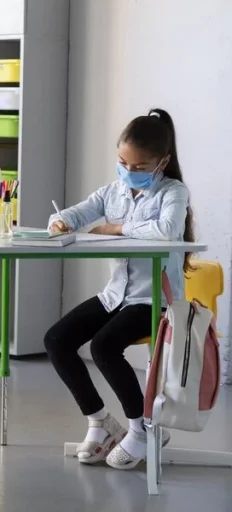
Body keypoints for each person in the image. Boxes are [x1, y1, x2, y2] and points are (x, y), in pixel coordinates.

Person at [44, 108, 192, 470]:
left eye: (140, 167)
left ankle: (143, 429)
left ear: (162, 162)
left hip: (155, 300)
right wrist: (60, 222)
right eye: (123, 162)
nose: (129, 171)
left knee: (104, 346)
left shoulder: (173, 192)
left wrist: (115, 229)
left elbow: (167, 231)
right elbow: (69, 216)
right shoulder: (112, 192)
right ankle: (100, 422)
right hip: (117, 295)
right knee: (57, 340)